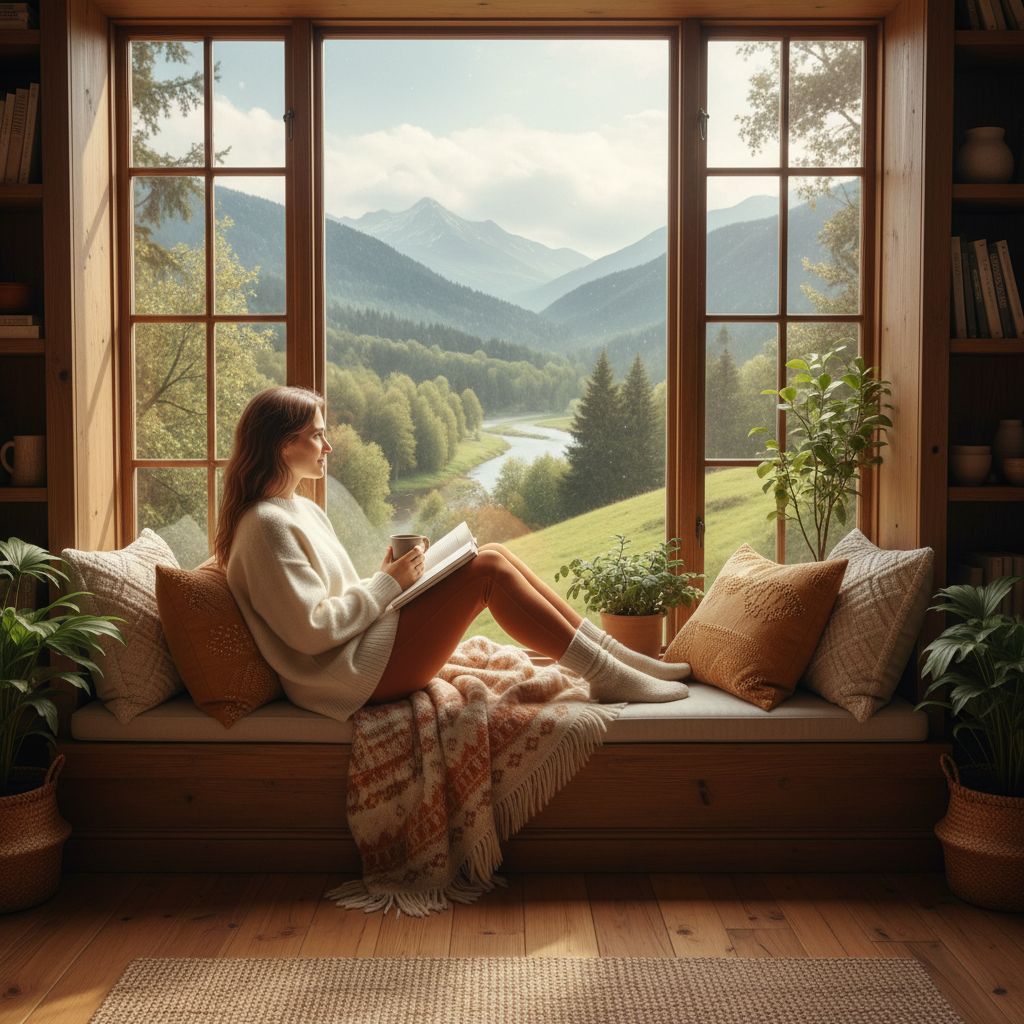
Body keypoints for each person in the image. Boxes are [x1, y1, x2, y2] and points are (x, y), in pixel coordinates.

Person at [217, 385, 690, 723]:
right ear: (285, 445)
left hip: (355, 655)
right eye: (318, 435)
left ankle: (618, 661)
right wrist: (389, 585)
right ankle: (606, 673)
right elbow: (311, 630)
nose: (329, 445)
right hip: (344, 679)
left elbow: (329, 601)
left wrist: (385, 578)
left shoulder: (296, 508)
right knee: (485, 571)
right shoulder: (265, 526)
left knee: (495, 553)